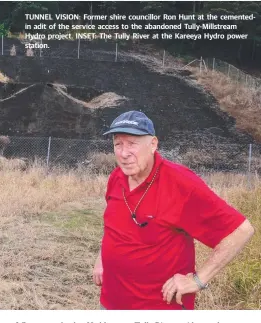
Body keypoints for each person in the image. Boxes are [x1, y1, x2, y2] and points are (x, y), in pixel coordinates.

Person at [93, 110, 255, 310]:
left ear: (153, 144)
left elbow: (240, 231)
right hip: (111, 302)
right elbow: (113, 225)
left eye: (132, 143)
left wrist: (198, 280)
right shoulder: (117, 177)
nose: (124, 153)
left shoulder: (181, 184)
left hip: (157, 306)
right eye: (118, 144)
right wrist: (101, 259)